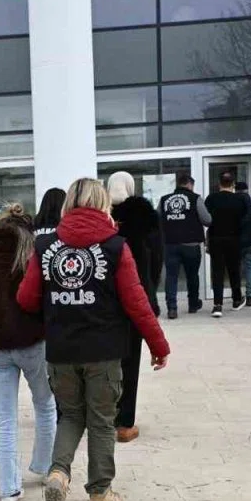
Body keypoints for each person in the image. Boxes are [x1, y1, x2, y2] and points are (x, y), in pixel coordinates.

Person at [17, 178, 171, 501]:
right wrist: (158, 345)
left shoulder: (45, 246)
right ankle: (100, 496)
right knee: (102, 421)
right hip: (104, 350)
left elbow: (26, 299)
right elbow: (137, 303)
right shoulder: (116, 246)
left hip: (61, 350)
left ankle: (58, 474)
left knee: (71, 415)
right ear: (102, 203)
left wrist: (59, 303)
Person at [0, 203, 56, 501]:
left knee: (6, 419)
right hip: (31, 342)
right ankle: (45, 467)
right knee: (45, 405)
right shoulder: (32, 254)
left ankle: (9, 489)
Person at [107, 171, 161, 444]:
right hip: (135, 297)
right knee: (130, 361)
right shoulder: (145, 216)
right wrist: (150, 291)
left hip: (104, 302)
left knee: (104, 362)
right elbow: (157, 257)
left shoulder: (101, 215)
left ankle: (102, 417)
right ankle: (124, 422)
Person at [158, 173, 210, 319]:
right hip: (191, 244)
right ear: (189, 185)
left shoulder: (164, 199)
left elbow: (157, 219)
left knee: (171, 276)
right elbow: (207, 220)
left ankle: (172, 308)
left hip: (170, 244)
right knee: (192, 275)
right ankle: (193, 304)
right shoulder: (195, 198)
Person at [205, 171, 249, 317]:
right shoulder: (239, 199)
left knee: (217, 272)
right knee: (234, 270)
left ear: (219, 184)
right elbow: (246, 219)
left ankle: (217, 305)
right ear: (233, 184)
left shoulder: (211, 198)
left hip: (216, 239)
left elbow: (206, 218)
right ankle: (237, 299)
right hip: (234, 239)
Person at [237, 181, 251, 308]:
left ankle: (237, 295)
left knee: (236, 268)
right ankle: (249, 297)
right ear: (246, 189)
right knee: (250, 268)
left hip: (236, 241)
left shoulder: (233, 201)